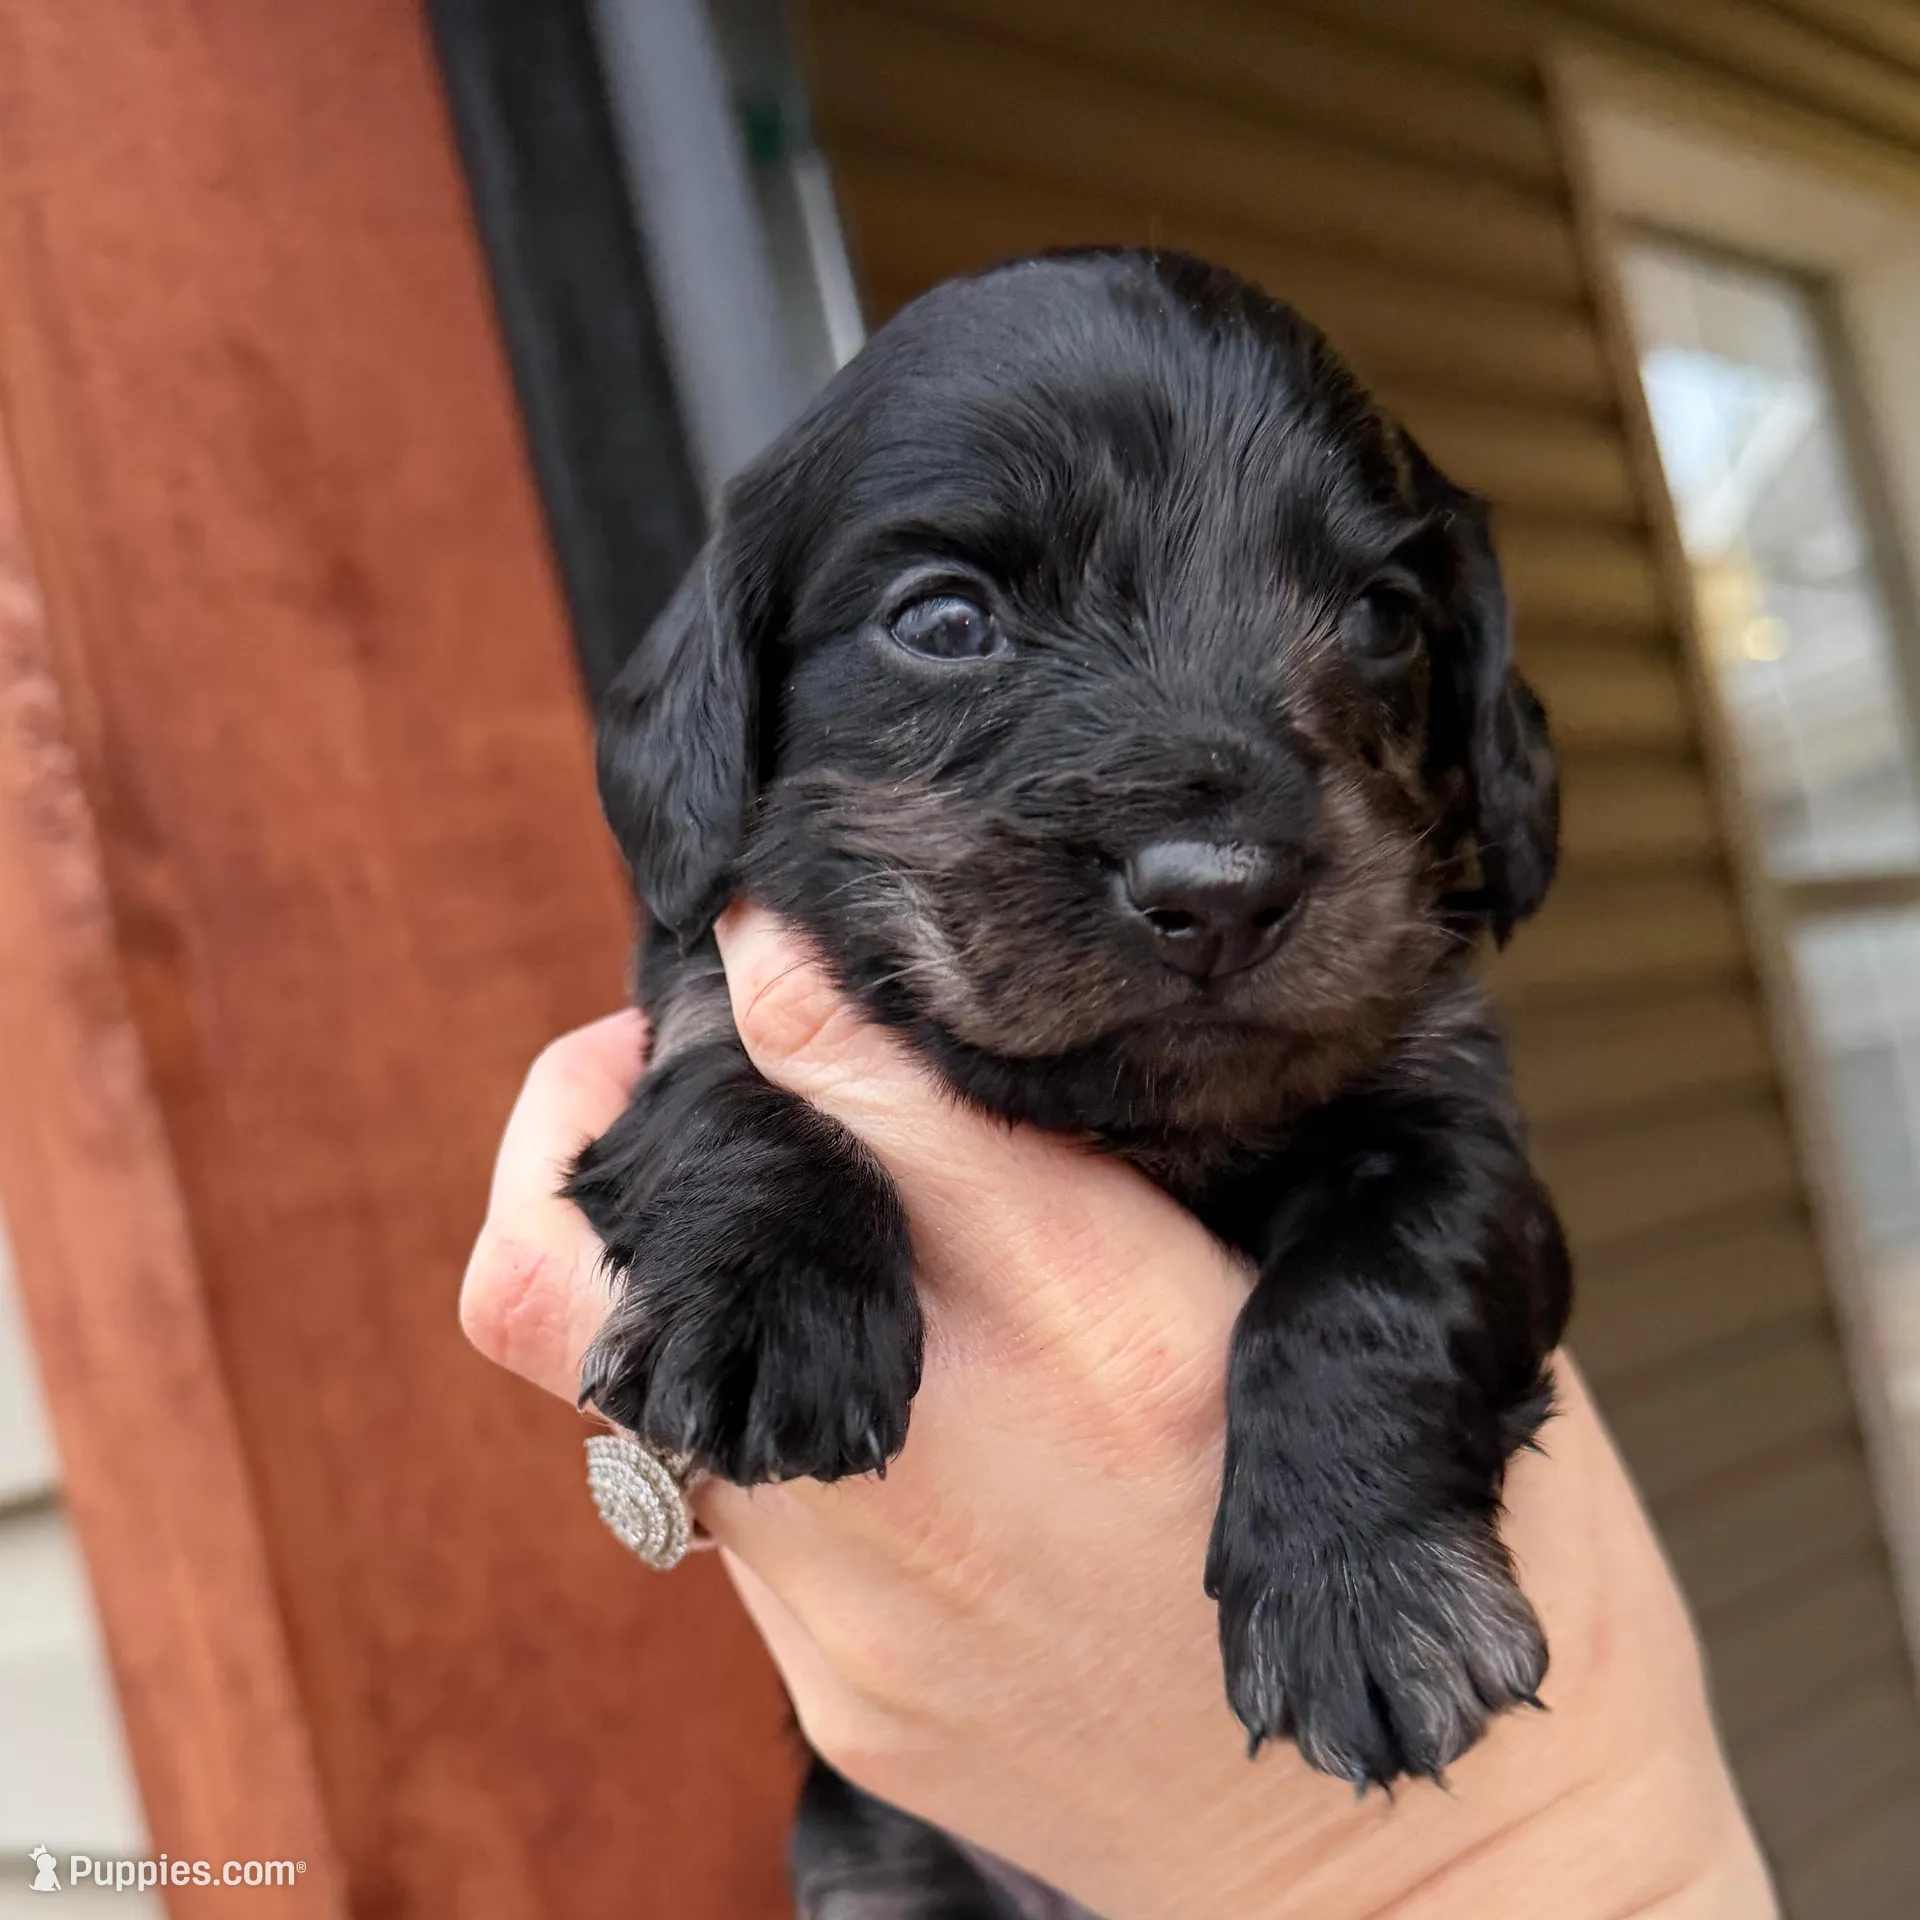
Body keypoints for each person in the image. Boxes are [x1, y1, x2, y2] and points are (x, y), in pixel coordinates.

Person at [460, 906, 1776, 1919]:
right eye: (953, 624)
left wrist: (1398, 1870)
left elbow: (1443, 1206)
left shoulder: (1374, 1047)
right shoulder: (772, 979)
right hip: (911, 1855)